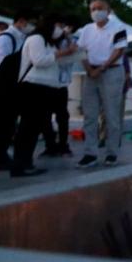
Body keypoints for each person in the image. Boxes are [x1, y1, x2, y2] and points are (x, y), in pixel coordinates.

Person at [11, 15, 78, 177]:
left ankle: (26, 162)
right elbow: (39, 60)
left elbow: (54, 62)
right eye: (58, 25)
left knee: (33, 129)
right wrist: (63, 53)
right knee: (27, 129)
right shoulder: (36, 39)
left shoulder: (49, 43)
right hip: (32, 88)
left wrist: (68, 50)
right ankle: (20, 165)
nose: (61, 30)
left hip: (45, 88)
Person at [77, 0, 128, 168]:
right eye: (93, 8)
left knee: (111, 114)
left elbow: (119, 49)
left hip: (111, 72)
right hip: (91, 73)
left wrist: (103, 66)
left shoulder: (118, 28)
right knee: (90, 115)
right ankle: (90, 152)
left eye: (99, 8)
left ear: (108, 10)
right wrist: (89, 70)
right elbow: (82, 50)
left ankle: (112, 152)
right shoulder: (86, 29)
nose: (96, 11)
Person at [0, 10, 35, 170]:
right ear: (21, 21)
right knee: (3, 123)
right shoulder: (6, 39)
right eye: (31, 22)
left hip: (14, 88)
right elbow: (0, 63)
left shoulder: (22, 38)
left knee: (9, 123)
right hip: (4, 88)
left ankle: (2, 154)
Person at [40, 15, 79, 157]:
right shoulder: (44, 40)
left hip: (61, 84)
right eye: (58, 26)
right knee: (45, 117)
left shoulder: (70, 40)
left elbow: (72, 58)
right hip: (45, 83)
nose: (61, 29)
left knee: (62, 116)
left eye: (63, 26)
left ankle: (63, 145)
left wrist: (68, 40)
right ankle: (50, 145)